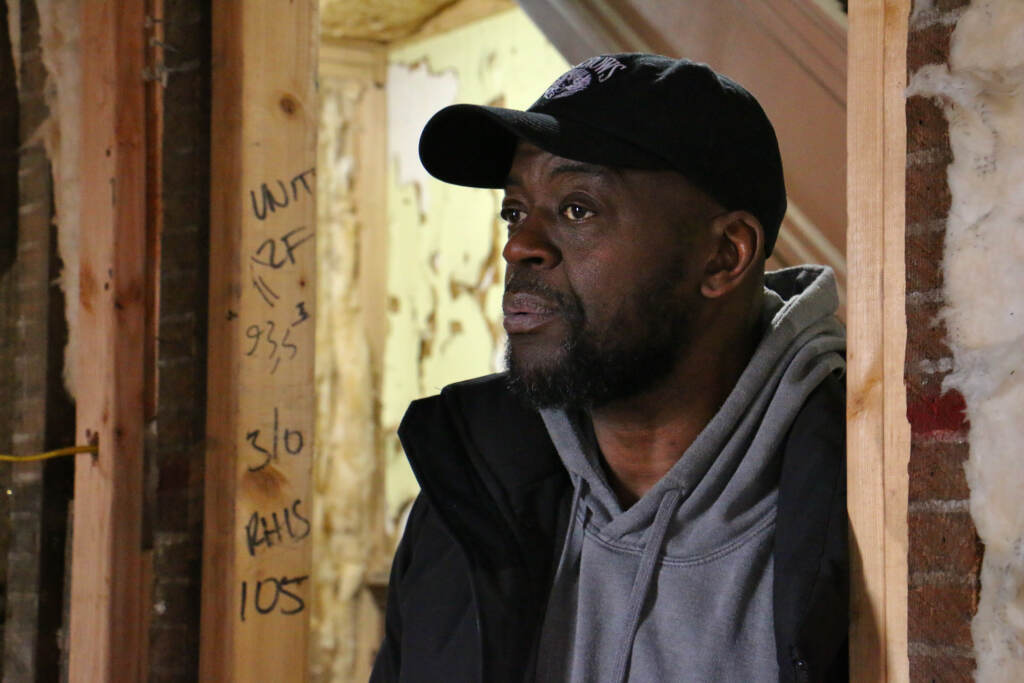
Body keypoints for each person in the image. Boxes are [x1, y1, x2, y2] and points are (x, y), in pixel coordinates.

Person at [371, 53, 847, 683]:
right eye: (515, 211)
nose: (519, 246)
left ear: (724, 256)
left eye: (577, 209)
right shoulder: (467, 497)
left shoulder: (870, 497)